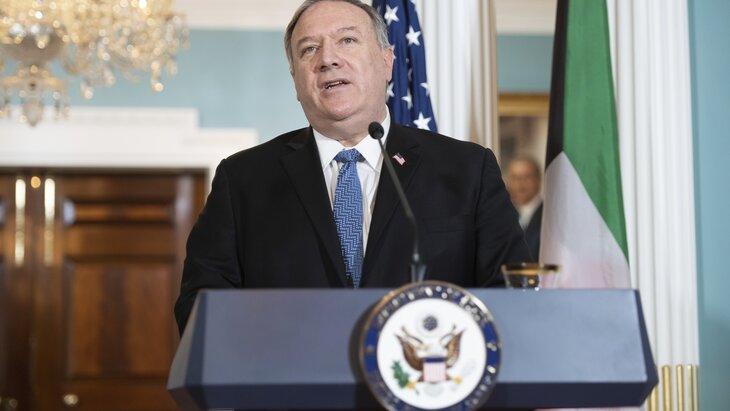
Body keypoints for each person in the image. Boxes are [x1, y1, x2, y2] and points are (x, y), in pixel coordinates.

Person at [174, 0, 530, 333]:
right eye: (309, 49)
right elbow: (200, 307)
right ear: (295, 80)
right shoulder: (243, 179)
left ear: (387, 62)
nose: (328, 59)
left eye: (347, 40)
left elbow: (511, 296)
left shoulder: (467, 169)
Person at [504, 156, 543, 261]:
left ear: (539, 180)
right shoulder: (502, 216)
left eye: (527, 177)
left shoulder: (549, 216)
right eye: (515, 178)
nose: (520, 184)